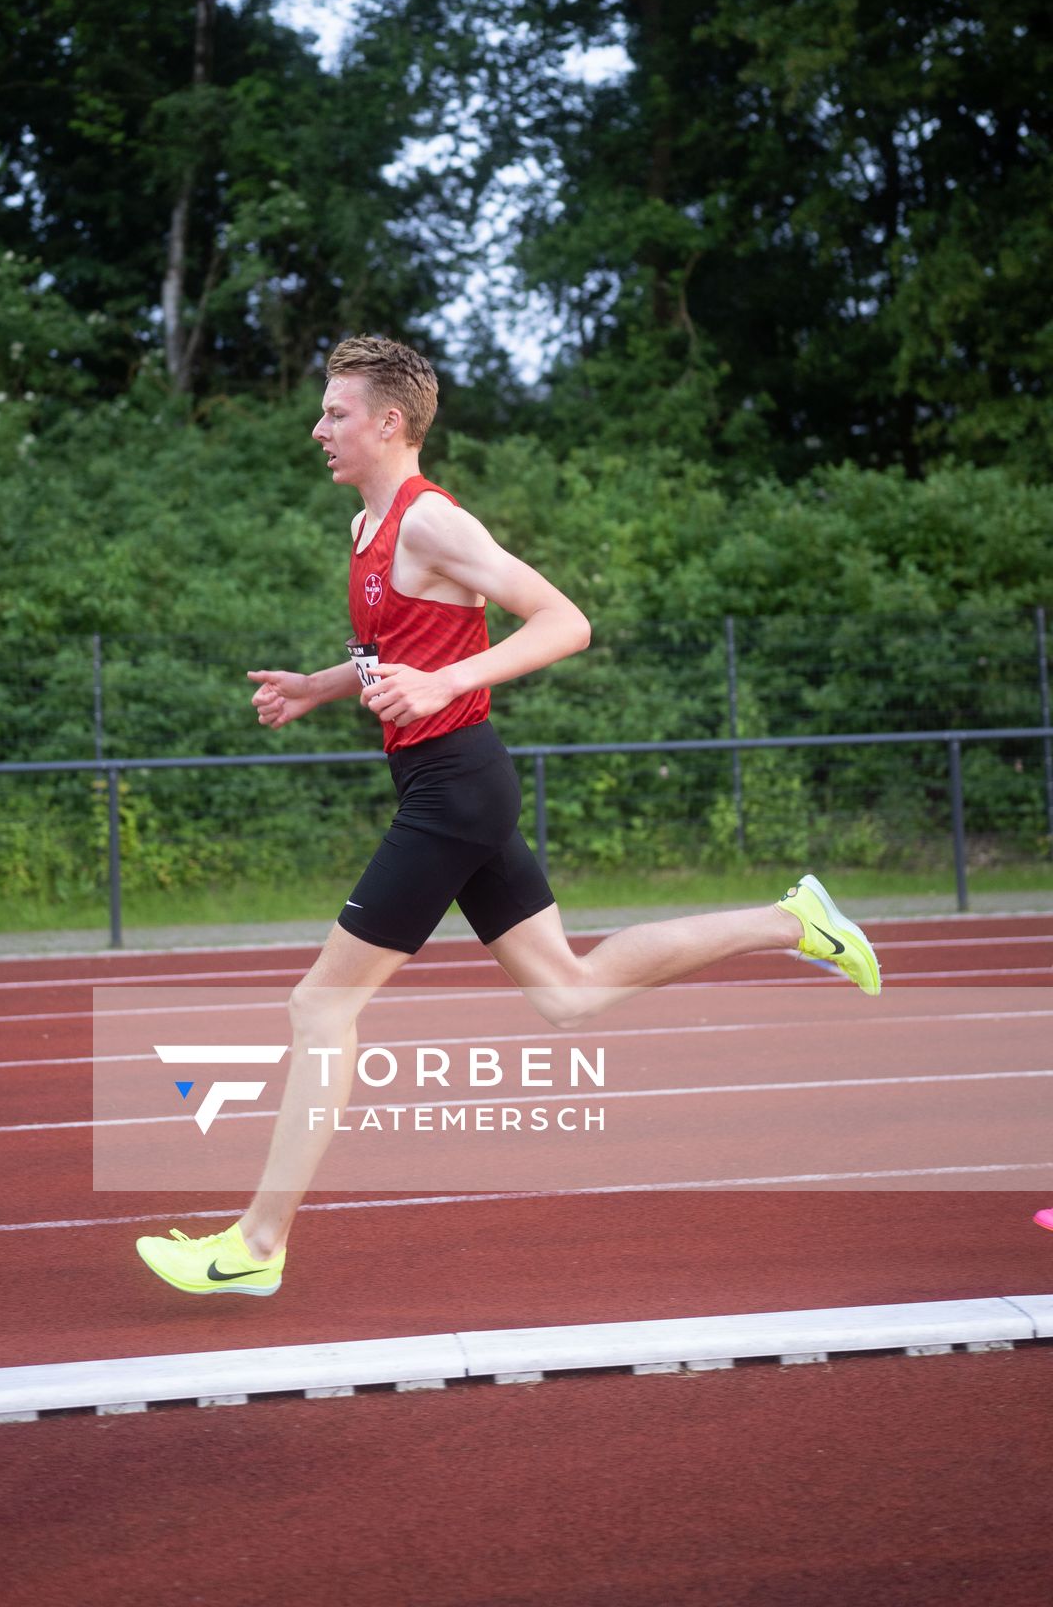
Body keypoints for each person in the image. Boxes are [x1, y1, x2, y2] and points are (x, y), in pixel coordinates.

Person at [136, 335, 880, 1298]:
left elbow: (565, 621)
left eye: (335, 412)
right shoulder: (367, 532)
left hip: (456, 785)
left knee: (321, 1005)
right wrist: (319, 687)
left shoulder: (431, 523)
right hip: (449, 784)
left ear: (389, 422)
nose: (318, 428)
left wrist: (444, 680)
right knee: (569, 992)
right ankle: (795, 921)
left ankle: (256, 1245)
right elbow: (390, 649)